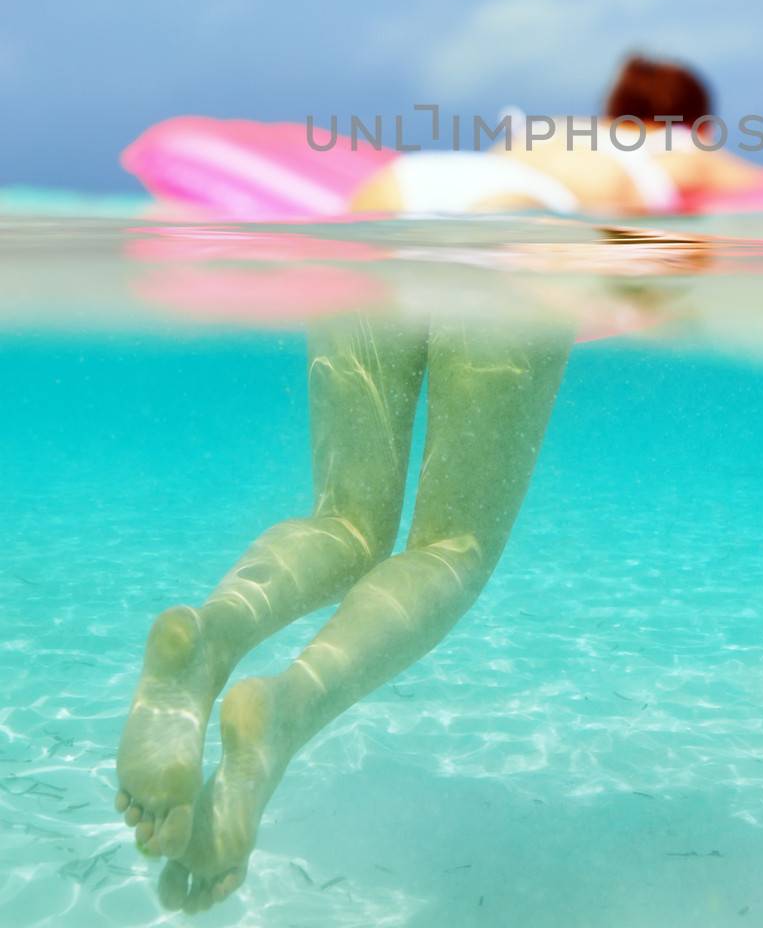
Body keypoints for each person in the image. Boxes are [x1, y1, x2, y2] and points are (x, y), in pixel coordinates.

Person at [115, 310, 572, 913]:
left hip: (371, 223)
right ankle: (285, 709)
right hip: (514, 240)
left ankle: (213, 637)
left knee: (345, 520)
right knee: (455, 545)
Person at [350, 53, 763, 216]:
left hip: (412, 179)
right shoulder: (682, 146)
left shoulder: (563, 130)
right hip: (518, 207)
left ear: (613, 110)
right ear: (701, 125)